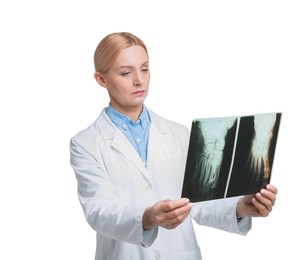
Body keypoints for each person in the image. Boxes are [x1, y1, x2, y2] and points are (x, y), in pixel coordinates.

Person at [70, 32, 278, 260]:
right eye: (126, 73)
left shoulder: (179, 134)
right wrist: (148, 217)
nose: (139, 80)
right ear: (102, 79)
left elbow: (198, 202)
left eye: (145, 69)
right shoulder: (86, 143)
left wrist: (240, 206)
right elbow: (99, 211)